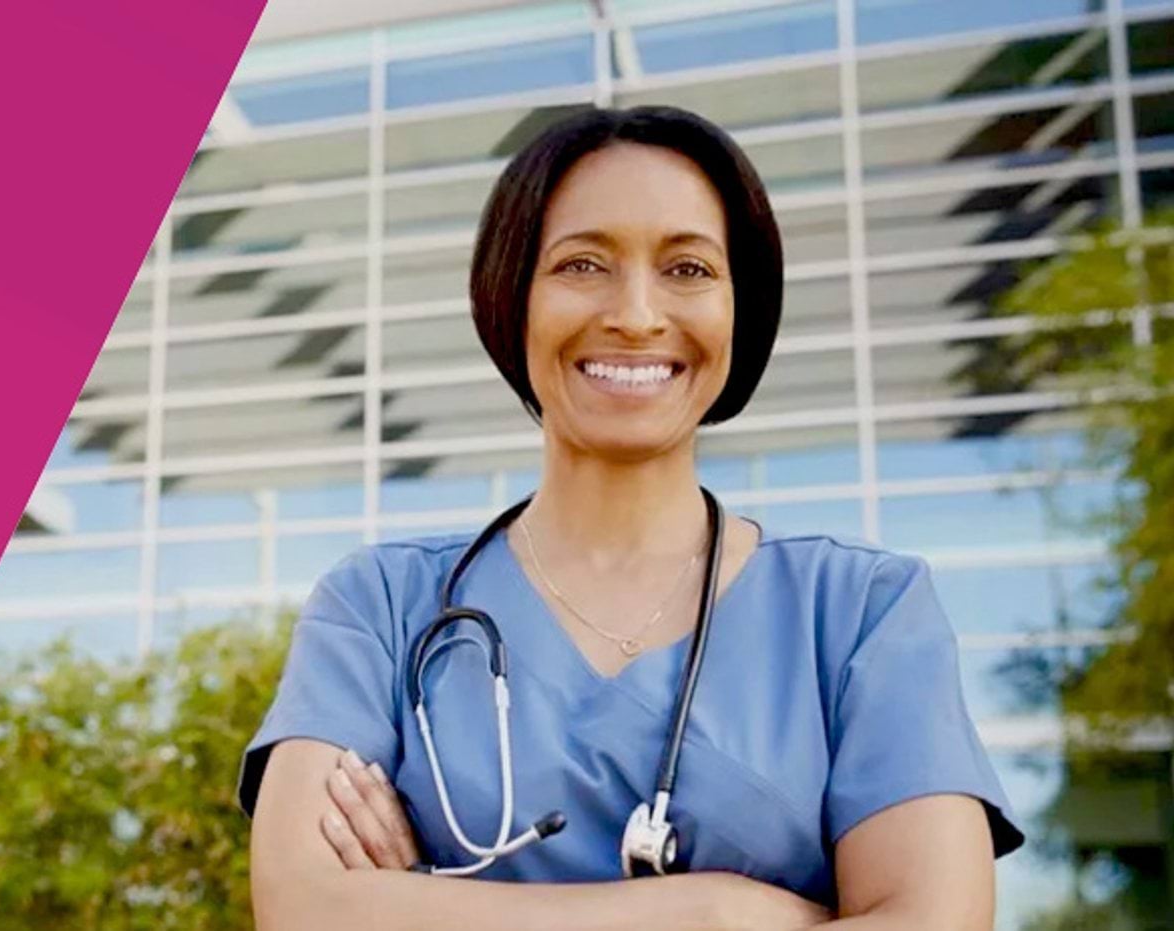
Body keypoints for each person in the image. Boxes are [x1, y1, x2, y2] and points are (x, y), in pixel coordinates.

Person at [235, 106, 1024, 930]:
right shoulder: (381, 606)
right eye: (582, 264)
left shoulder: (862, 609)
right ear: (513, 295)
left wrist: (413, 905)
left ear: (738, 308)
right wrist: (720, 912)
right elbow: (303, 907)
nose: (638, 314)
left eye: (687, 269)